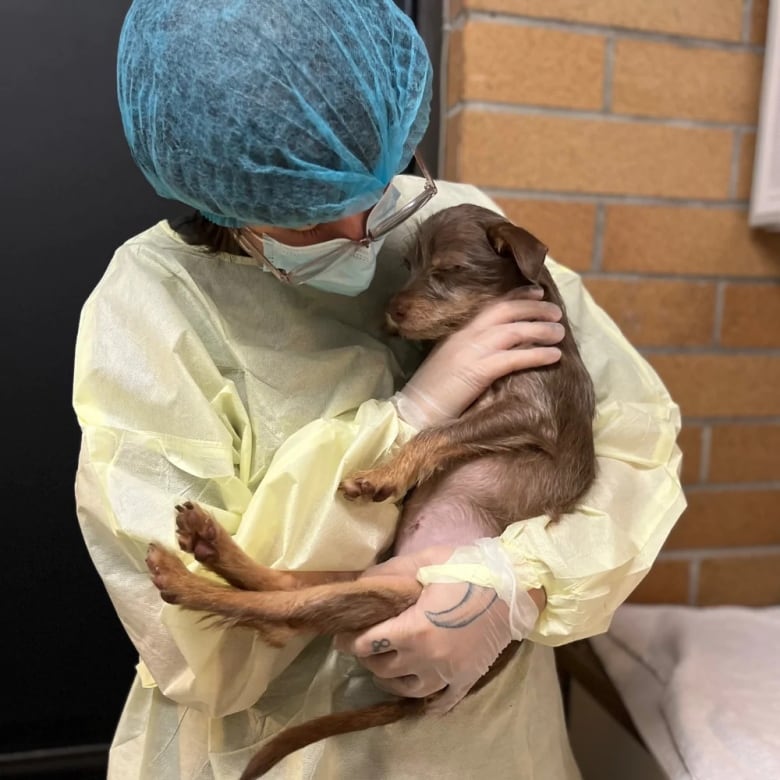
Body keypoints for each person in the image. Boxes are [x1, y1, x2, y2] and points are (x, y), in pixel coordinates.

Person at [72, 1, 685, 777]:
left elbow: (632, 444)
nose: (364, 231)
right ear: (222, 197)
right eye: (308, 222)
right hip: (277, 749)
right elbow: (195, 637)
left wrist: (512, 586)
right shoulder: (152, 305)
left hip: (486, 745)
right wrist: (414, 414)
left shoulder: (461, 222)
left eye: (383, 187)